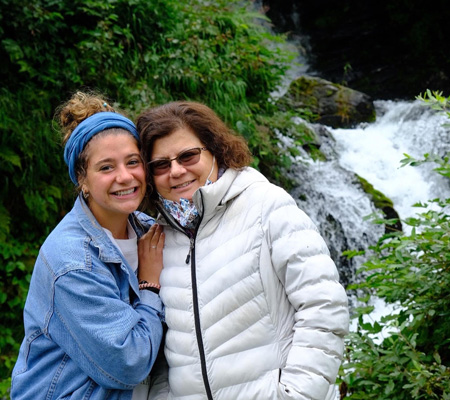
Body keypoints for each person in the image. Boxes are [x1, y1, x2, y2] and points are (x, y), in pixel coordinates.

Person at [136, 101, 350, 400]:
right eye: (161, 164)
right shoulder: (159, 238)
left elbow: (324, 305)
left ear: (214, 151)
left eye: (188, 156)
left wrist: (296, 394)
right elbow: (164, 355)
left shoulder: (266, 206)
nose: (176, 170)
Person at [11, 91, 165, 400]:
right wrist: (148, 285)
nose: (125, 176)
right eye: (106, 168)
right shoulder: (71, 261)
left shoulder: (150, 231)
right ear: (82, 178)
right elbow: (128, 362)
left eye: (133, 162)